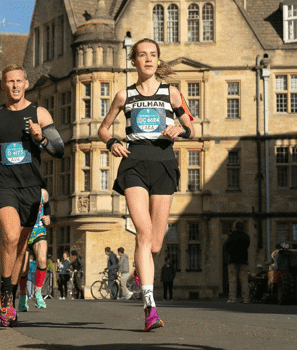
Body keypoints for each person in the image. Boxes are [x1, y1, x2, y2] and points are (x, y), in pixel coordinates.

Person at [98, 38, 195, 331]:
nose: (148, 60)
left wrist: (181, 128)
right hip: (134, 163)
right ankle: (150, 308)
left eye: (153, 55)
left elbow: (192, 127)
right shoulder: (123, 95)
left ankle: (143, 269)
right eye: (142, 55)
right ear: (134, 61)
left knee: (154, 244)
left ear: (158, 60)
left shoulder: (173, 93)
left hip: (164, 163)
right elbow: (103, 129)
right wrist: (113, 142)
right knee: (142, 231)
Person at [0, 64, 64, 326]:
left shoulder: (39, 113)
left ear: (26, 84)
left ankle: (11, 298)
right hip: (2, 184)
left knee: (21, 246)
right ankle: (5, 294)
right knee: (11, 235)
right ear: (3, 85)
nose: (14, 85)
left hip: (30, 187)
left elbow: (58, 149)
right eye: (9, 81)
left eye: (19, 81)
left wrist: (41, 138)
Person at [18, 188, 51, 311]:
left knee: (42, 260)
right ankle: (22, 295)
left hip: (38, 231)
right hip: (23, 233)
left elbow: (47, 206)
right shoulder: (19, 192)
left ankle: (38, 292)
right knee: (23, 268)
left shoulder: (43, 193)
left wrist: (48, 217)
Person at [225, 220, 251, 303]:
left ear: (235, 227)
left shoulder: (231, 236)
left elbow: (226, 247)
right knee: (244, 280)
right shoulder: (246, 236)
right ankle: (246, 298)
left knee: (232, 280)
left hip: (233, 260)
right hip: (243, 260)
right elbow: (247, 246)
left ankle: (232, 298)